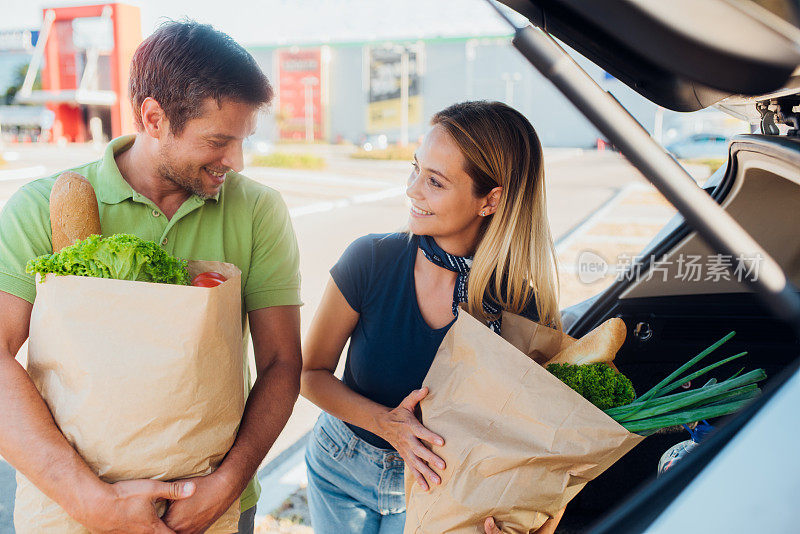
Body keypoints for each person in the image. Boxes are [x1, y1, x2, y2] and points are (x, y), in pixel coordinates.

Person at [0, 21, 301, 534]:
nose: (236, 161)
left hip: (212, 505)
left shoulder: (258, 212)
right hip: (71, 505)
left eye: (243, 140)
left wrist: (226, 484)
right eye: (218, 141)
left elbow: (280, 362)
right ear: (153, 117)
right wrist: (90, 500)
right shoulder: (40, 207)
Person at [300, 101, 565, 534]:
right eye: (415, 169)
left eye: (435, 182)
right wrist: (386, 424)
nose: (412, 190)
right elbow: (308, 373)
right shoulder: (370, 259)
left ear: (491, 200)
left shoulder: (523, 311)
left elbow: (529, 437)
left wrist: (539, 517)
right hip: (341, 470)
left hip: (437, 487)